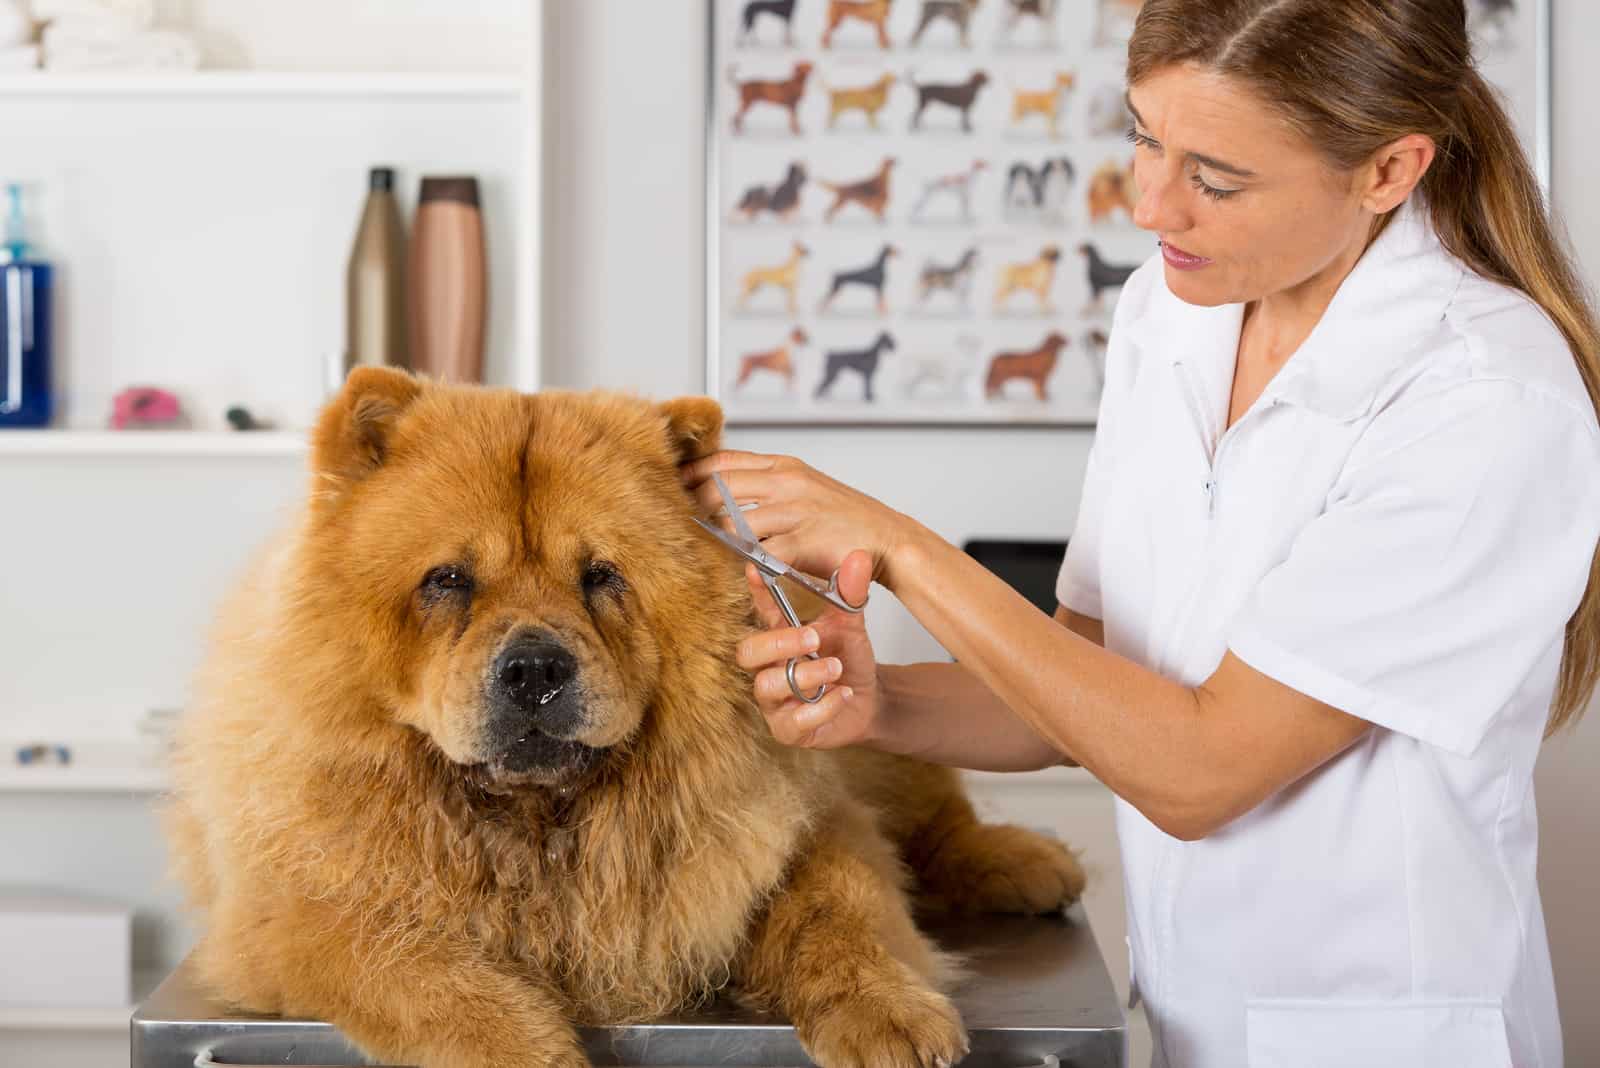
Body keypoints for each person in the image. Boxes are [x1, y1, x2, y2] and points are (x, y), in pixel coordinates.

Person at [680, 1, 1600, 1065]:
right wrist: (880, 704)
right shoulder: (1170, 315)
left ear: (1388, 172)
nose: (1150, 204)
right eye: (1143, 137)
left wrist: (903, 551)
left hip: (1381, 1035)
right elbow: (1078, 688)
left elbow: (1195, 771)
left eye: (1215, 178)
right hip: (1192, 1022)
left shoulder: (1482, 400)